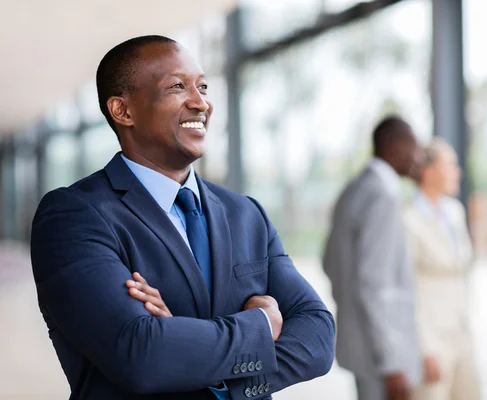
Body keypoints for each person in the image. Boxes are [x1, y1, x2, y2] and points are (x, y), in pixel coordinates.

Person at [30, 35, 335, 400]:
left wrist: (203, 361)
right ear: (123, 111)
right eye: (177, 86)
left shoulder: (246, 214)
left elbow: (318, 337)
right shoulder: (74, 216)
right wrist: (262, 323)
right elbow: (140, 355)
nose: (201, 102)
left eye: (203, 86)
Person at [322, 117, 422, 400]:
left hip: (359, 347)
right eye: (415, 148)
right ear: (396, 147)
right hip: (383, 358)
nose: (418, 158)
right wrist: (392, 364)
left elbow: (329, 262)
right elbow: (374, 287)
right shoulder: (382, 198)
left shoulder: (352, 190)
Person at [404, 138, 481, 400]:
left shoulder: (454, 211)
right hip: (431, 342)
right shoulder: (407, 219)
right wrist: (423, 349)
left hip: (461, 334)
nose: (457, 172)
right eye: (450, 165)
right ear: (427, 171)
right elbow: (406, 288)